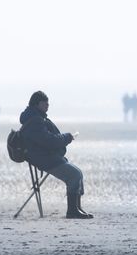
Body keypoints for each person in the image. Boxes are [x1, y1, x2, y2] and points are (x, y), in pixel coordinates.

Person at [19, 90, 92, 219]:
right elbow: (49, 141)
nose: (47, 106)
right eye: (44, 103)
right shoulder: (35, 121)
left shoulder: (36, 118)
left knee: (78, 173)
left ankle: (77, 208)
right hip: (44, 159)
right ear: (37, 104)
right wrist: (67, 137)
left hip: (45, 156)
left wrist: (65, 138)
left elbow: (48, 139)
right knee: (74, 175)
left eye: (48, 103)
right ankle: (72, 211)